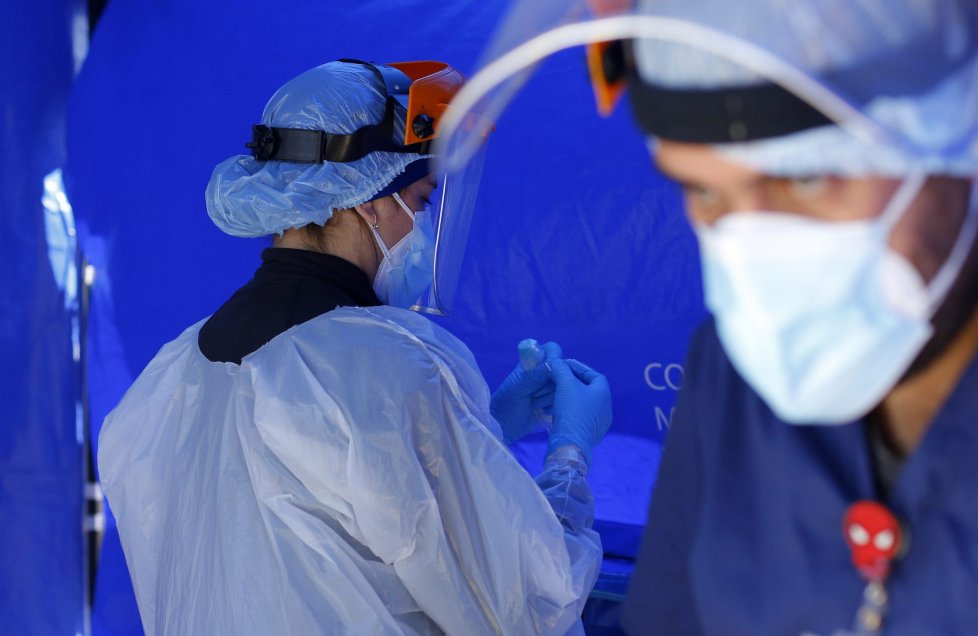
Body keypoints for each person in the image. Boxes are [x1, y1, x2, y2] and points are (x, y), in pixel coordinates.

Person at [437, 0, 978, 633]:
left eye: (806, 178)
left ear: (955, 120)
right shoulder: (740, 368)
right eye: (705, 191)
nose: (759, 254)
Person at [97, 59, 614, 636]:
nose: (423, 228)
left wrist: (479, 430)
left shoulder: (170, 376)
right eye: (422, 201)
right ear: (369, 197)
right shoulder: (393, 365)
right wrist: (570, 455)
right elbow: (526, 603)